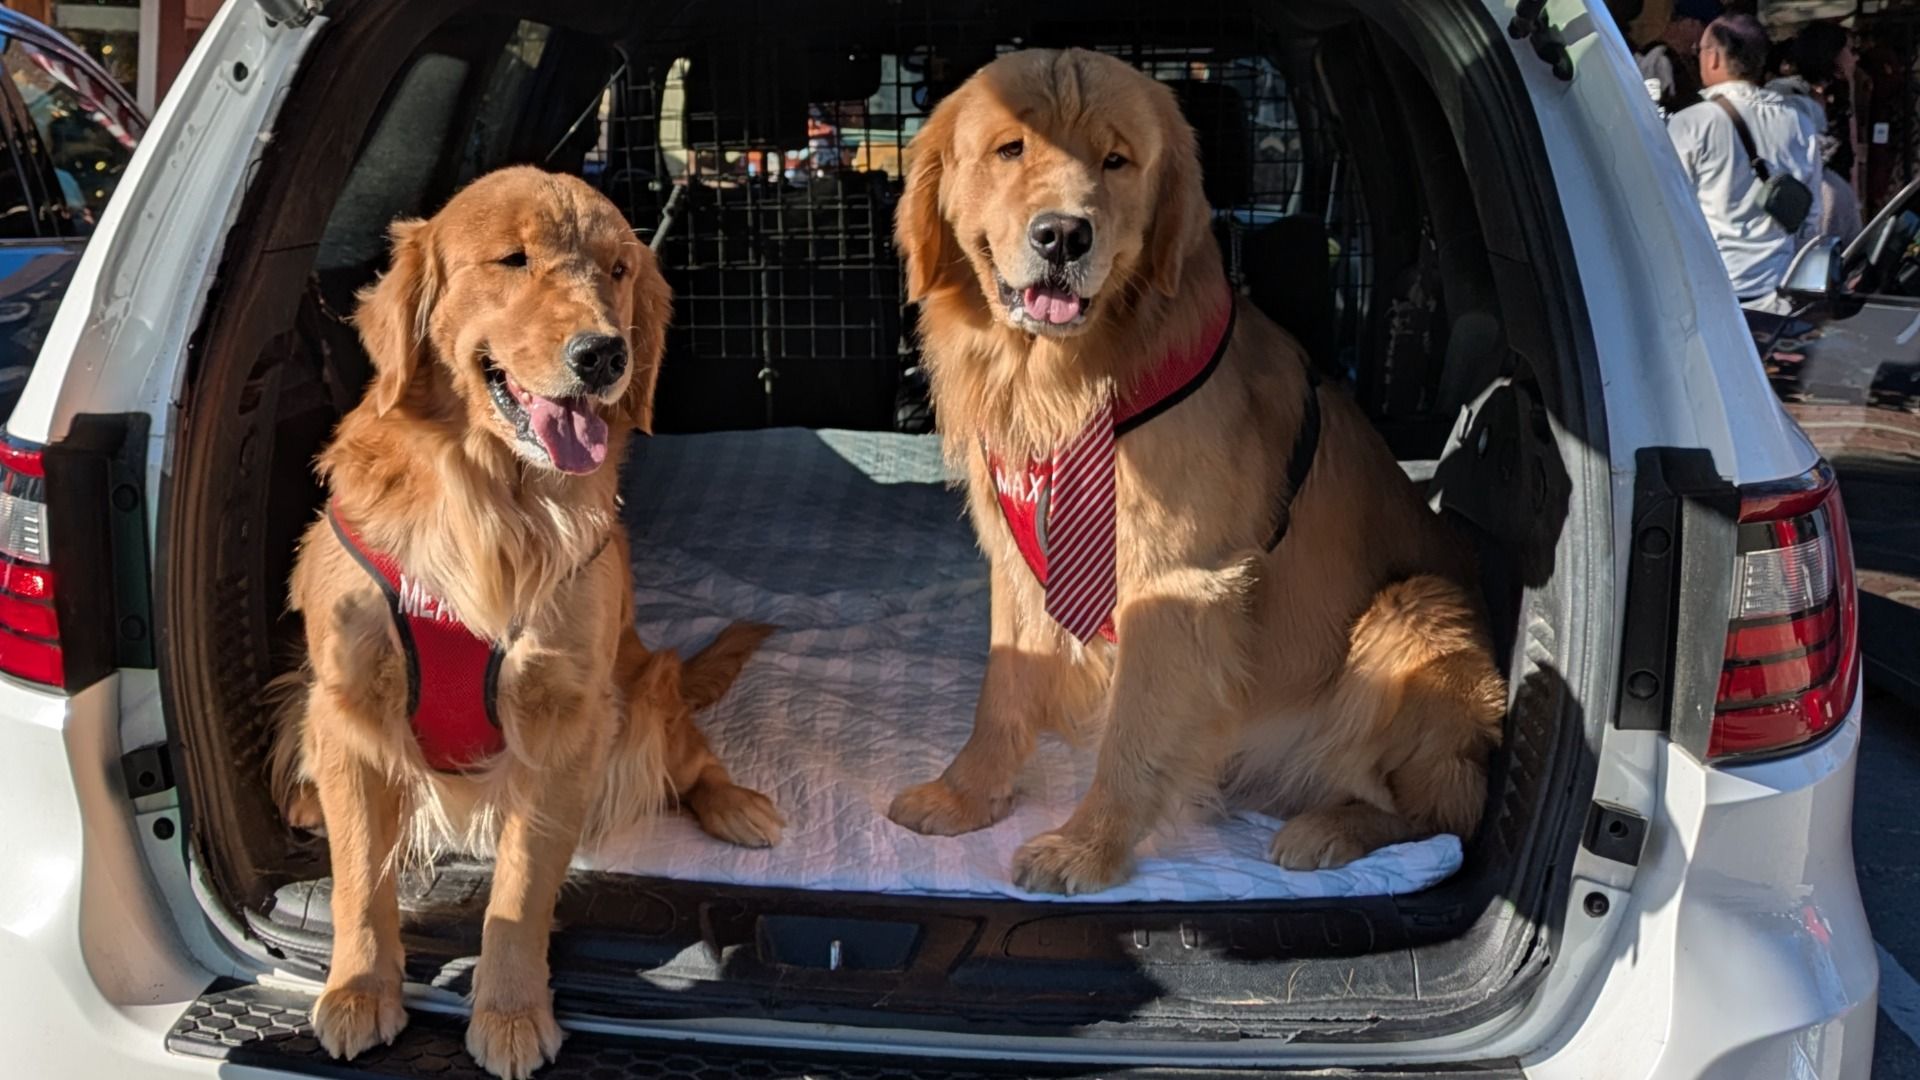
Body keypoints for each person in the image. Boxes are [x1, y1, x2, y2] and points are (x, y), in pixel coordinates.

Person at [1668, 14, 1825, 312]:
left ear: (1713, 57)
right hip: (1777, 294)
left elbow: (1668, 209)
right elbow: (1811, 214)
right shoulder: (1799, 123)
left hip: (1712, 295)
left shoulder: (1691, 123)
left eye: (1699, 50)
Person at [1767, 21, 1863, 243]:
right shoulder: (1789, 97)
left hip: (1837, 204)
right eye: (1848, 50)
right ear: (1831, 53)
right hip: (1808, 207)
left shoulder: (1839, 95)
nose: (1854, 58)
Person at [1637, 0, 1719, 116]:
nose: (1706, 36)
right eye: (1704, 27)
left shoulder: (1688, 61)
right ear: (1690, 23)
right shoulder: (1658, 58)